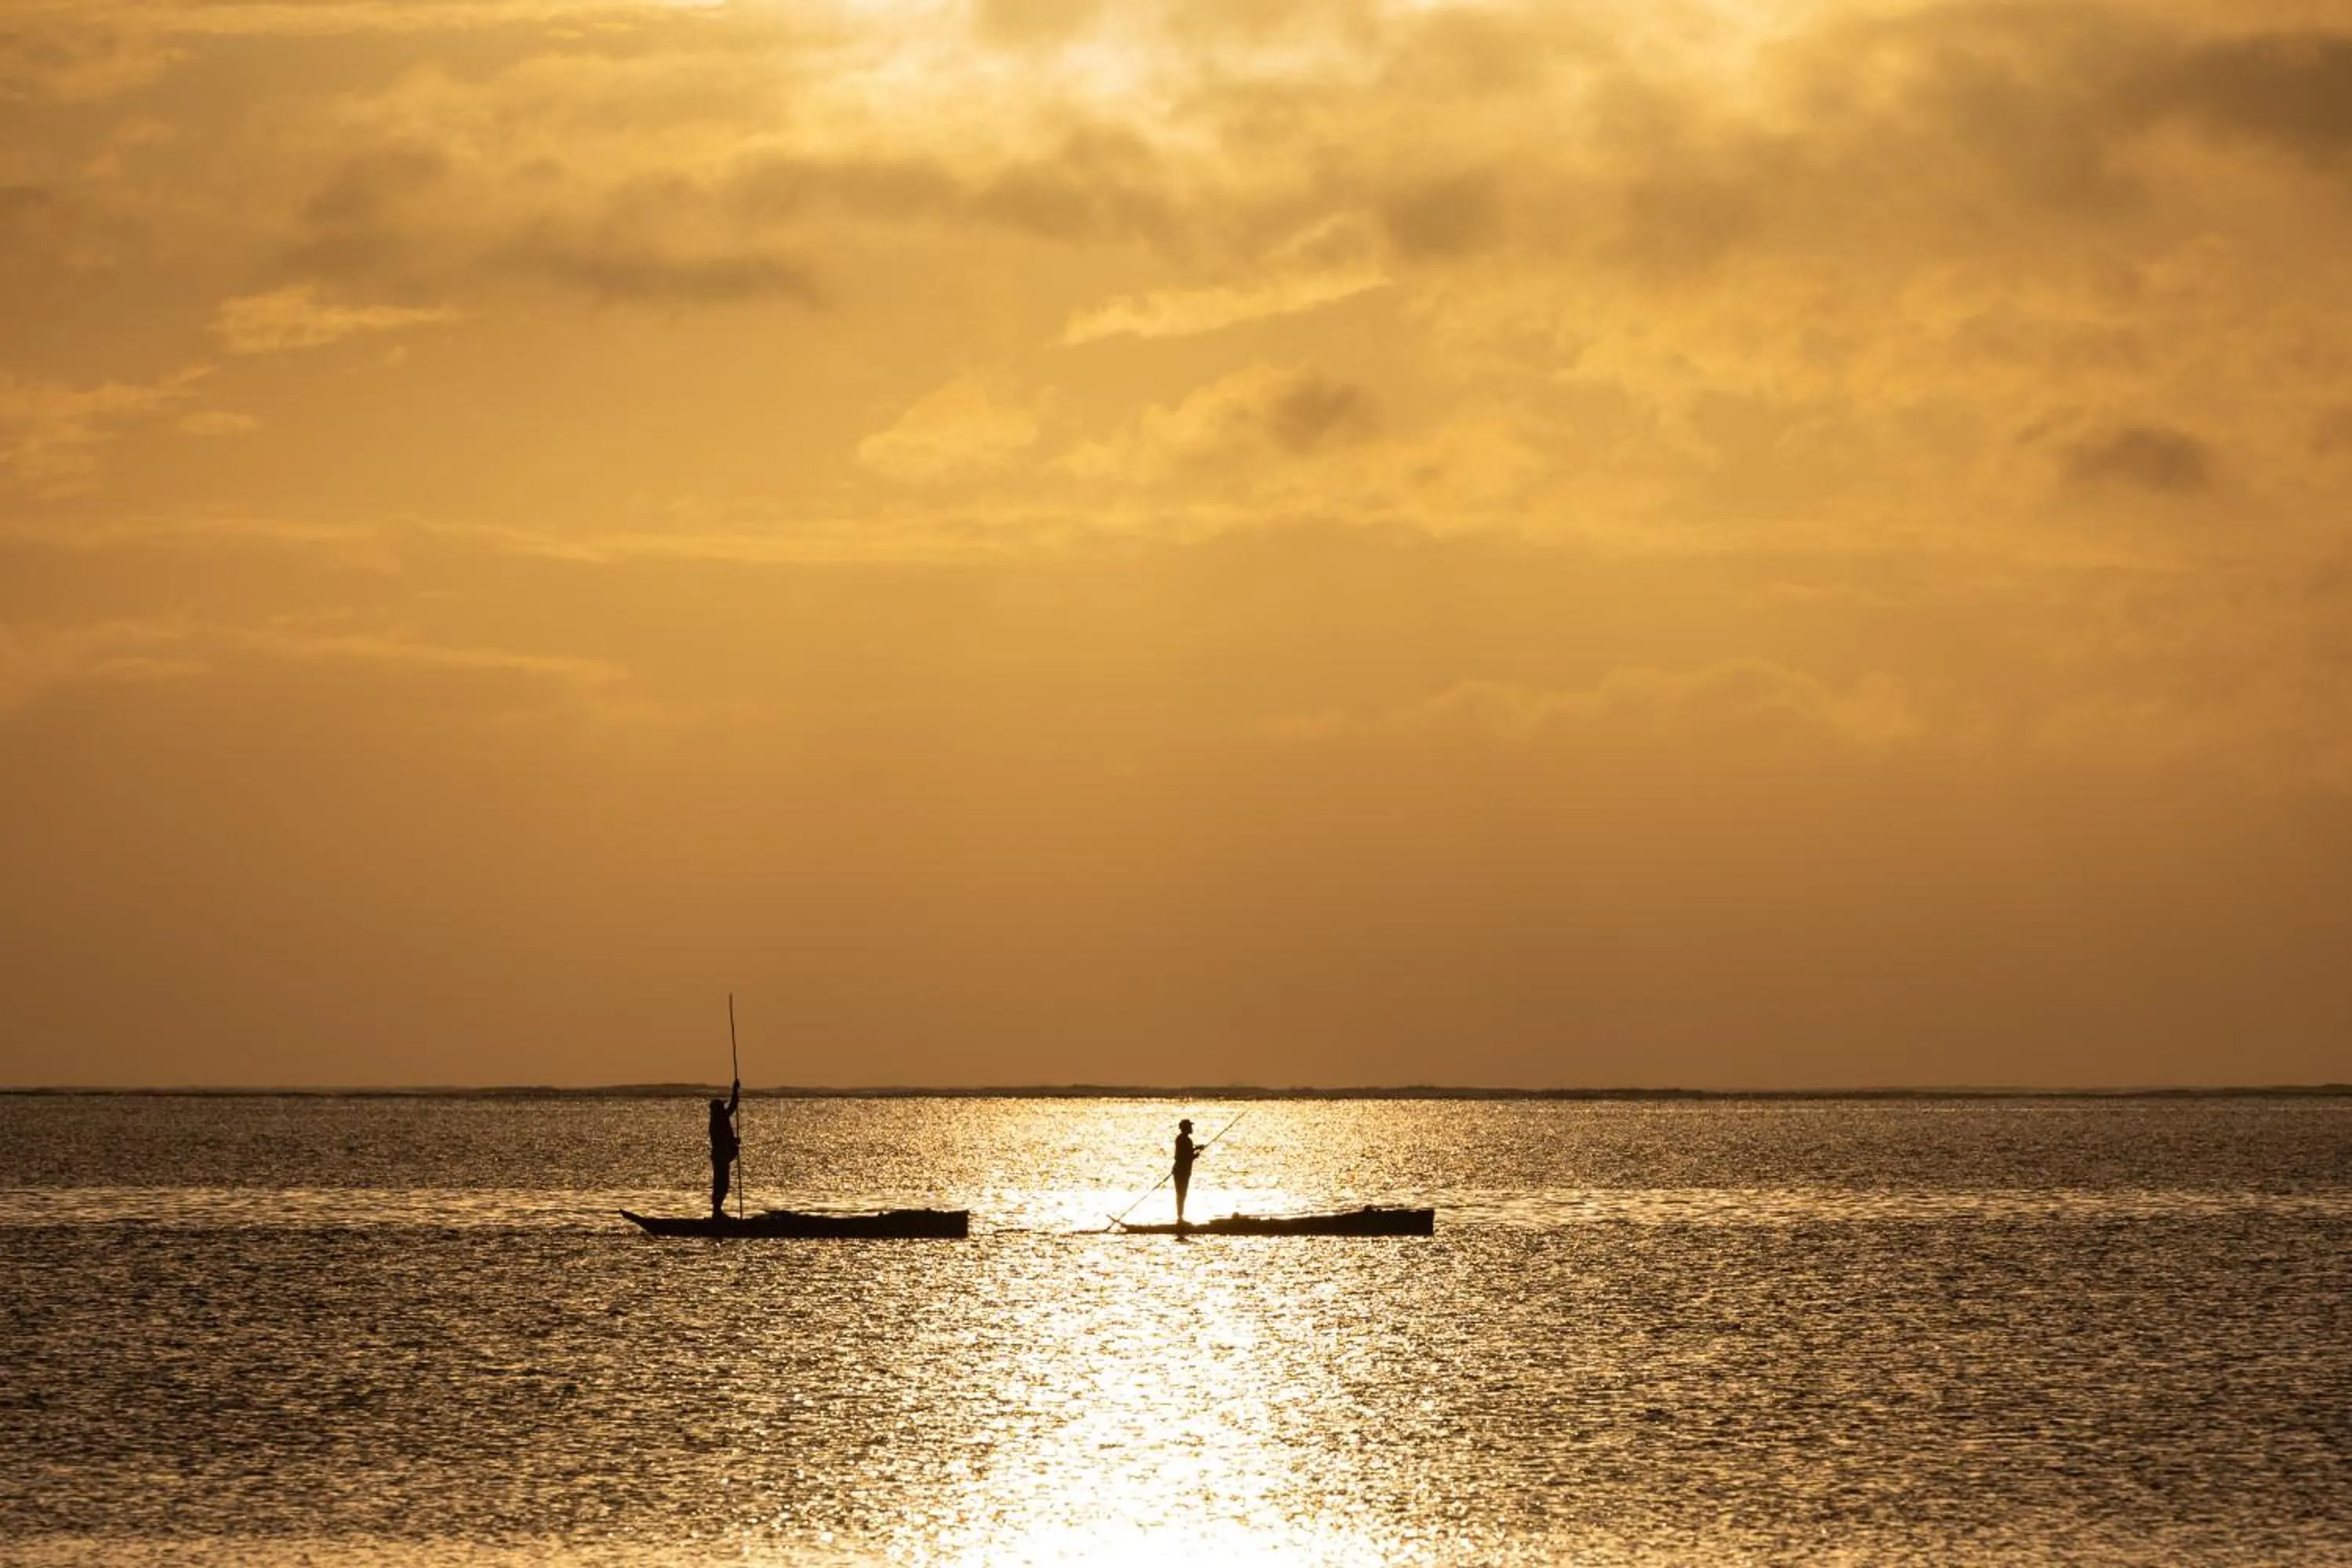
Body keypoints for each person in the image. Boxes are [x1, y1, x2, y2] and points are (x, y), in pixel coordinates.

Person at [709, 1079, 741, 1218]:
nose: (724, 1108)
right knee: (721, 1184)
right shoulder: (717, 1122)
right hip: (720, 1157)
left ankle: (717, 1211)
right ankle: (717, 1212)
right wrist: (733, 1141)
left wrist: (735, 1090)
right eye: (721, 1107)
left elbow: (733, 1105)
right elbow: (721, 1140)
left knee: (723, 1184)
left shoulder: (721, 1118)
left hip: (722, 1156)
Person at [1172, 1117, 1203, 1227]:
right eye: (1190, 1126)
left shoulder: (1184, 1139)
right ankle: (1180, 1219)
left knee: (1182, 1194)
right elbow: (1180, 1156)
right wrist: (1194, 1155)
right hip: (1181, 1171)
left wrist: (1195, 1150)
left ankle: (1180, 1218)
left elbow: (1186, 1153)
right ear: (1186, 1128)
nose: (1192, 1128)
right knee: (1181, 1194)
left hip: (1183, 1170)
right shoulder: (1183, 1140)